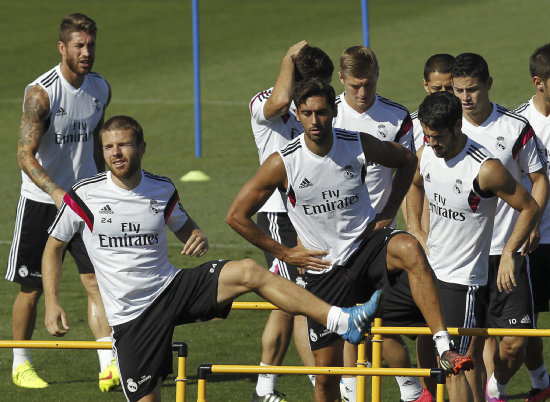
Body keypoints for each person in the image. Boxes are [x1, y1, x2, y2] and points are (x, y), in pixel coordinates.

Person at [42, 115, 381, 402]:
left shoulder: (161, 189)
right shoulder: (83, 195)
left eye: (124, 144)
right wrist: (53, 302)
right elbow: (53, 247)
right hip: (132, 318)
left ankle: (340, 320)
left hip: (170, 289)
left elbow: (185, 227)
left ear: (142, 147)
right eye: (109, 147)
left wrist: (196, 235)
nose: (116, 153)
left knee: (249, 270)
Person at [226, 79, 474, 402]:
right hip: (324, 268)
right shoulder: (283, 162)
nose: (316, 121)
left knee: (410, 248)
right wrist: (285, 254)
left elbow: (407, 160)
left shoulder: (356, 143)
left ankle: (443, 347)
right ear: (298, 116)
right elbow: (236, 216)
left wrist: (386, 213)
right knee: (327, 380)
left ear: (333, 111)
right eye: (307, 113)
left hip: (365, 250)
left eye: (322, 112)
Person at [5, 13, 117, 391]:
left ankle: (107, 366)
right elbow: (24, 154)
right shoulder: (42, 93)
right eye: (79, 46)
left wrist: (105, 186)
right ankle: (21, 363)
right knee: (31, 288)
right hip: (41, 201)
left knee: (95, 280)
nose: (87, 52)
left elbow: (96, 144)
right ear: (62, 47)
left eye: (91, 45)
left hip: (84, 201)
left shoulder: (100, 87)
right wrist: (55, 191)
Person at [408, 91, 540, 402]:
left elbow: (530, 206)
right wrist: (415, 228)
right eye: (426, 135)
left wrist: (509, 251)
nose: (431, 142)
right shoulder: (426, 152)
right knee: (422, 350)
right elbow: (412, 181)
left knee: (455, 363)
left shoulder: (485, 168)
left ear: (457, 126)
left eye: (437, 136)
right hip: (429, 272)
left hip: (463, 281)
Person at [451, 53, 549, 402]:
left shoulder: (514, 127)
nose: (465, 98)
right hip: (463, 258)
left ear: (488, 84)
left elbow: (539, 179)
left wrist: (530, 224)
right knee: (469, 343)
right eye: (458, 90)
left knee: (515, 342)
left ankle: (497, 388)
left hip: (508, 253)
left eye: (472, 89)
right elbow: (419, 179)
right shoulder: (447, 127)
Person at [331, 45, 427, 402]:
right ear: (341, 79)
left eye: (368, 83)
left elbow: (407, 169)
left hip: (375, 235)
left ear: (377, 76)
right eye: (355, 85)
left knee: (382, 317)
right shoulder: (328, 115)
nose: (362, 92)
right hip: (335, 235)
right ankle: (351, 391)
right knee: (343, 319)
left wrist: (387, 214)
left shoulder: (397, 117)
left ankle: (411, 391)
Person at [249, 40, 333, 402]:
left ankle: (264, 388)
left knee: (290, 303)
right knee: (298, 301)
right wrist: (287, 57)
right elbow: (280, 103)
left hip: (312, 213)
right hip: (277, 216)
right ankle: (322, 386)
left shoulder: (311, 109)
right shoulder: (264, 103)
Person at [514, 43, 550, 402]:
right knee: (528, 326)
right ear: (539, 82)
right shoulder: (520, 124)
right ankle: (541, 381)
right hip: (534, 240)